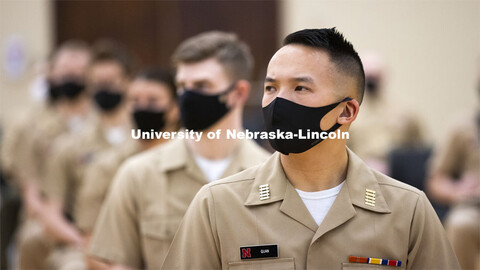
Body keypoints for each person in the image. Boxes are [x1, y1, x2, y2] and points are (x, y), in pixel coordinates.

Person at [162, 28, 460, 270]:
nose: (278, 102)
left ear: (346, 112)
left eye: (300, 88)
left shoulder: (407, 211)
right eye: (270, 88)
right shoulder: (218, 205)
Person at [88, 31, 270, 269]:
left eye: (202, 85)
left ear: (238, 93)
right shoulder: (139, 174)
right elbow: (109, 262)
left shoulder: (270, 176)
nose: (188, 96)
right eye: (182, 86)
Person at [41, 40, 133, 269]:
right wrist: (84, 242)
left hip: (135, 240)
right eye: (97, 83)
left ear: (128, 82)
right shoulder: (69, 146)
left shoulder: (146, 139)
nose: (104, 88)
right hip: (84, 241)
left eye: (111, 82)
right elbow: (52, 212)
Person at [75, 68, 180, 269]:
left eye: (152, 101)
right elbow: (91, 249)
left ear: (174, 109)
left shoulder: (197, 162)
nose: (142, 107)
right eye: (135, 100)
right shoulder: (106, 167)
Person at [9, 41, 92, 270]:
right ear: (53, 73)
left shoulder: (100, 122)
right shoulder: (34, 126)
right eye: (66, 72)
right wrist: (66, 231)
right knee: (31, 239)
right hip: (47, 220)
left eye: (79, 72)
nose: (72, 78)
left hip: (93, 216)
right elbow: (31, 192)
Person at [427, 65, 480, 270]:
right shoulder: (462, 126)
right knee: (460, 224)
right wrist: (458, 192)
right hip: (474, 209)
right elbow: (436, 180)